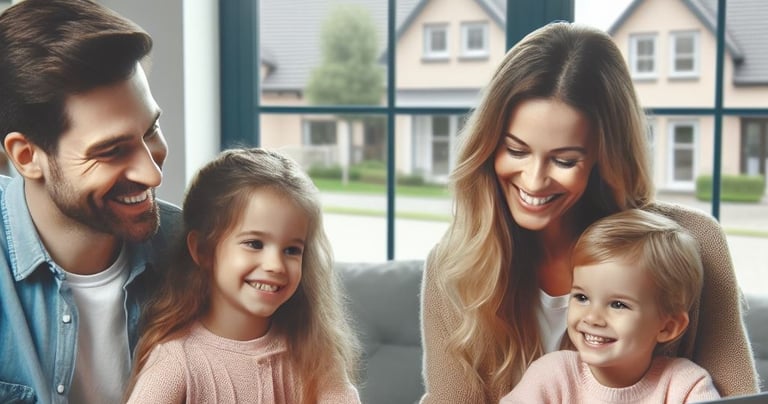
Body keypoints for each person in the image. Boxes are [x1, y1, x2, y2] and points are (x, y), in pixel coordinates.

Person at [419, 21, 758, 403]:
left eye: (564, 160)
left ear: (604, 158)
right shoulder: (454, 268)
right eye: (516, 150)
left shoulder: (695, 242)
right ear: (488, 146)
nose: (534, 180)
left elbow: (738, 396)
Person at [0, 0, 182, 403]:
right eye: (112, 150)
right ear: (27, 157)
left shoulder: (198, 255)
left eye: (151, 130)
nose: (153, 175)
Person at [124, 148, 361, 403]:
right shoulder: (175, 361)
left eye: (292, 250)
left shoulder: (314, 353)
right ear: (203, 250)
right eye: (254, 244)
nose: (276, 265)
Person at [500, 209, 720, 403]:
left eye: (617, 304)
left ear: (668, 327)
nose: (592, 318)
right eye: (582, 297)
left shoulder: (686, 385)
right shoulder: (551, 375)